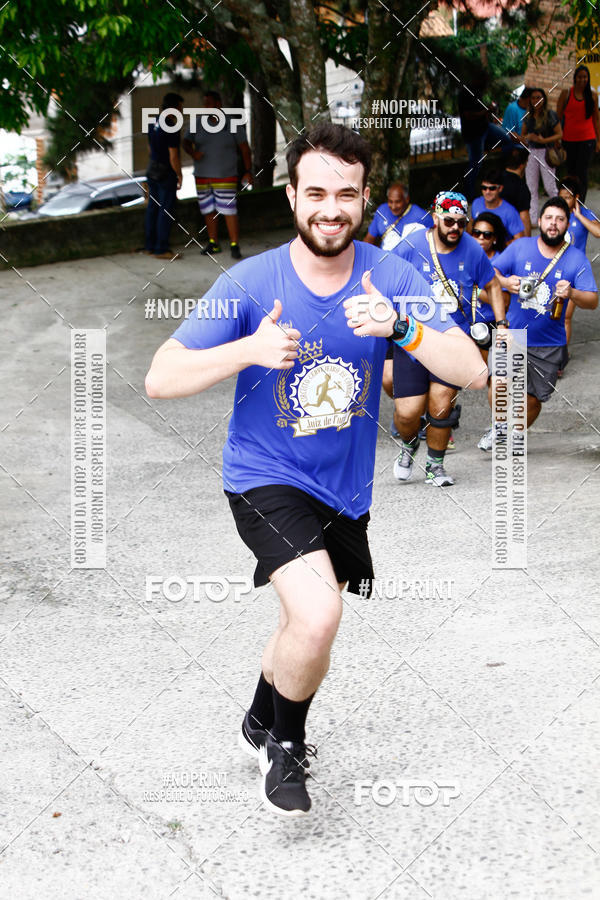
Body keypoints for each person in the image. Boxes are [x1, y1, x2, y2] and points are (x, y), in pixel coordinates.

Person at [145, 124, 486, 816]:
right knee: (320, 610)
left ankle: (257, 718)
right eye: (317, 192)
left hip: (344, 489)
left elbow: (472, 370)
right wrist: (247, 349)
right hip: (262, 476)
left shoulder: (393, 276)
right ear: (293, 195)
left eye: (347, 194)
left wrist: (403, 329)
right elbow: (161, 377)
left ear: (365, 201)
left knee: (303, 619)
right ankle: (285, 747)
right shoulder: (250, 280)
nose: (332, 207)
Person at [391, 191, 505, 486]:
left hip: (454, 341)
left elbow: (492, 285)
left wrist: (502, 323)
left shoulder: (472, 250)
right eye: (449, 221)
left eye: (461, 222)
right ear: (435, 217)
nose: (455, 227)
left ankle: (435, 466)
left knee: (441, 404)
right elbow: (386, 279)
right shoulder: (411, 246)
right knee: (407, 414)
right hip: (414, 340)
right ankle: (410, 441)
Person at [478, 196, 598, 449]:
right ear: (539, 221)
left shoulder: (576, 259)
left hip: (550, 343)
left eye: (560, 219)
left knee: (533, 401)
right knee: (499, 380)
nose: (553, 224)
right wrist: (505, 282)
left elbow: (592, 301)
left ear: (567, 225)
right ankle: (499, 425)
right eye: (549, 218)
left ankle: (510, 431)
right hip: (513, 335)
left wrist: (572, 294)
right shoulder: (520, 247)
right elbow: (489, 273)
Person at [183, 90, 253, 259]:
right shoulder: (197, 123)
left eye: (209, 103)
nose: (206, 107)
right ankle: (213, 243)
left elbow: (244, 148)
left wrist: (248, 171)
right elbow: (185, 142)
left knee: (229, 210)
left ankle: (234, 244)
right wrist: (193, 154)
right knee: (208, 209)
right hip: (202, 175)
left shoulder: (231, 122)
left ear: (218, 104)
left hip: (226, 175)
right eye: (205, 103)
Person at [557, 176, 600, 355]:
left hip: (574, 271)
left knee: (565, 316)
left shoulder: (586, 213)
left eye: (568, 197)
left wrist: (579, 217)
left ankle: (560, 356)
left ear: (576, 197)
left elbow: (598, 232)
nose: (563, 200)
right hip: (553, 269)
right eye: (561, 196)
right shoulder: (555, 212)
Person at [458, 70, 513, 201]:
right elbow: (468, 115)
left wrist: (489, 113)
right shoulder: (466, 93)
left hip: (485, 127)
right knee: (475, 164)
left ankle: (502, 174)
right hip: (473, 133)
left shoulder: (478, 92)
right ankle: (468, 194)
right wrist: (486, 110)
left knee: (507, 140)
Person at [144, 92, 184, 260]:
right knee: (165, 210)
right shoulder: (171, 126)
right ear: (174, 108)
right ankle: (162, 248)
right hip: (165, 173)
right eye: (181, 108)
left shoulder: (153, 121)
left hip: (152, 169)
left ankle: (150, 246)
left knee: (152, 208)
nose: (181, 111)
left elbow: (149, 147)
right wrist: (179, 174)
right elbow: (173, 156)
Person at [556, 65, 600, 202]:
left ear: (588, 79)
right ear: (575, 78)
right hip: (568, 139)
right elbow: (558, 118)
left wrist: (599, 141)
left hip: (587, 139)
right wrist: (556, 138)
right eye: (580, 77)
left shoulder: (593, 96)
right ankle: (569, 200)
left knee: (582, 172)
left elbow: (596, 120)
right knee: (570, 172)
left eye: (585, 77)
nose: (582, 80)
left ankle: (581, 203)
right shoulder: (566, 93)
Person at [521, 87, 562, 221]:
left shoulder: (550, 115)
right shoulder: (528, 117)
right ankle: (532, 218)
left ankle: (560, 212)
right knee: (531, 187)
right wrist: (528, 137)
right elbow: (523, 136)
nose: (536, 100)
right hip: (531, 152)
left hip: (546, 152)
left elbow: (560, 134)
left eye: (539, 97)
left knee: (550, 187)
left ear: (543, 99)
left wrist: (543, 140)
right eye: (533, 98)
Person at [364, 182, 433, 251]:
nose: (393, 207)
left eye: (397, 202)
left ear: (407, 199)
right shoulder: (382, 211)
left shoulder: (422, 216)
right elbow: (370, 239)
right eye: (390, 201)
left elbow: (434, 242)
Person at [470, 169, 525, 240]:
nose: (487, 192)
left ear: (500, 188)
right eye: (484, 188)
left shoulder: (510, 212)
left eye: (492, 188)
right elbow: (471, 226)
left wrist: (500, 246)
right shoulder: (476, 203)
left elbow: (519, 239)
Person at [502, 147, 532, 236]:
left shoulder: (495, 179)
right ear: (522, 165)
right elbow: (524, 218)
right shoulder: (521, 187)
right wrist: (527, 243)